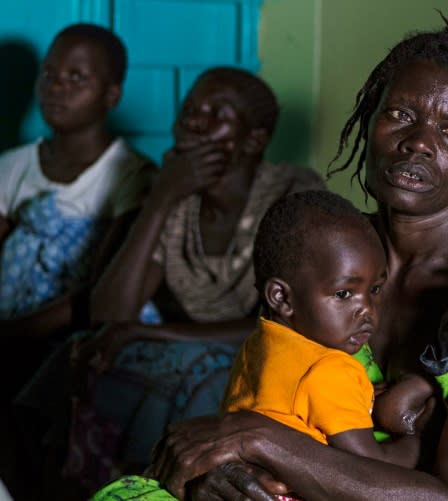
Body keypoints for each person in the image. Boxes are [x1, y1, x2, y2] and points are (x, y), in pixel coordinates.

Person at [143, 17, 448, 501]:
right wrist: (227, 472)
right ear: (369, 119)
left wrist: (253, 438)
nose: (418, 142)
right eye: (399, 114)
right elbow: (273, 400)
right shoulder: (325, 252)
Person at [13, 66, 325, 497]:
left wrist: (150, 332)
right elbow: (109, 312)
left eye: (217, 113)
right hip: (193, 344)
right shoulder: (175, 198)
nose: (194, 120)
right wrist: (162, 197)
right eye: (190, 109)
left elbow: (294, 325)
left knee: (197, 377)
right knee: (76, 354)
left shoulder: (292, 194)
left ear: (253, 140)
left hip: (270, 355)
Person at [0, 23, 153, 496]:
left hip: (73, 328)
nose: (56, 88)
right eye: (49, 75)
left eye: (76, 78)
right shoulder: (13, 166)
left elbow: (99, 289)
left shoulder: (130, 174)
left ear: (111, 94)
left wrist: (9, 333)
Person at [223, 190, 431, 474]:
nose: (367, 309)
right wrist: (419, 440)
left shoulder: (259, 345)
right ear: (281, 298)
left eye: (375, 289)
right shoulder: (330, 371)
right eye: (344, 293)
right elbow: (372, 470)